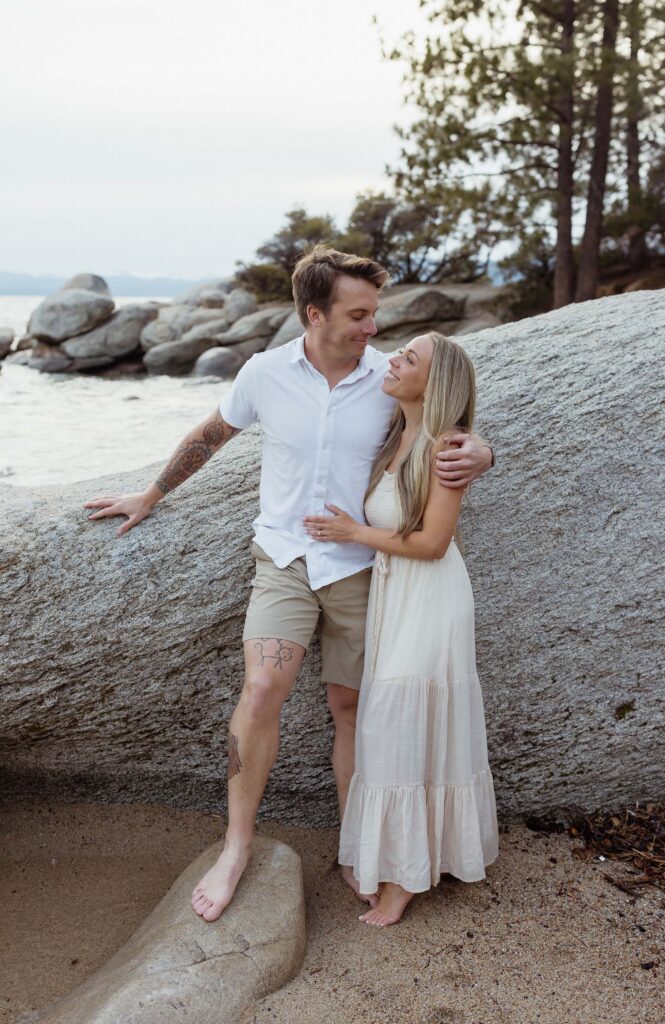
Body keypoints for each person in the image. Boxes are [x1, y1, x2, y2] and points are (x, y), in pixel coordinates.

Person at [83, 247, 494, 923]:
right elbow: (213, 432)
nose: (371, 327)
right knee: (263, 687)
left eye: (374, 313)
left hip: (364, 573)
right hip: (284, 561)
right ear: (314, 313)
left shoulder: (385, 381)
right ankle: (235, 845)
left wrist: (482, 450)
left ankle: (358, 846)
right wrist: (149, 494)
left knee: (352, 709)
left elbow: (444, 421)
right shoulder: (264, 373)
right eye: (357, 314)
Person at [303, 331, 498, 927]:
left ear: (433, 382)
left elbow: (435, 543)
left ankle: (404, 880)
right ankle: (403, 859)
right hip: (396, 594)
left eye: (408, 359)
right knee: (398, 726)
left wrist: (354, 534)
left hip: (429, 597)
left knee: (398, 725)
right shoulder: (399, 431)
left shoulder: (443, 446)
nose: (393, 359)